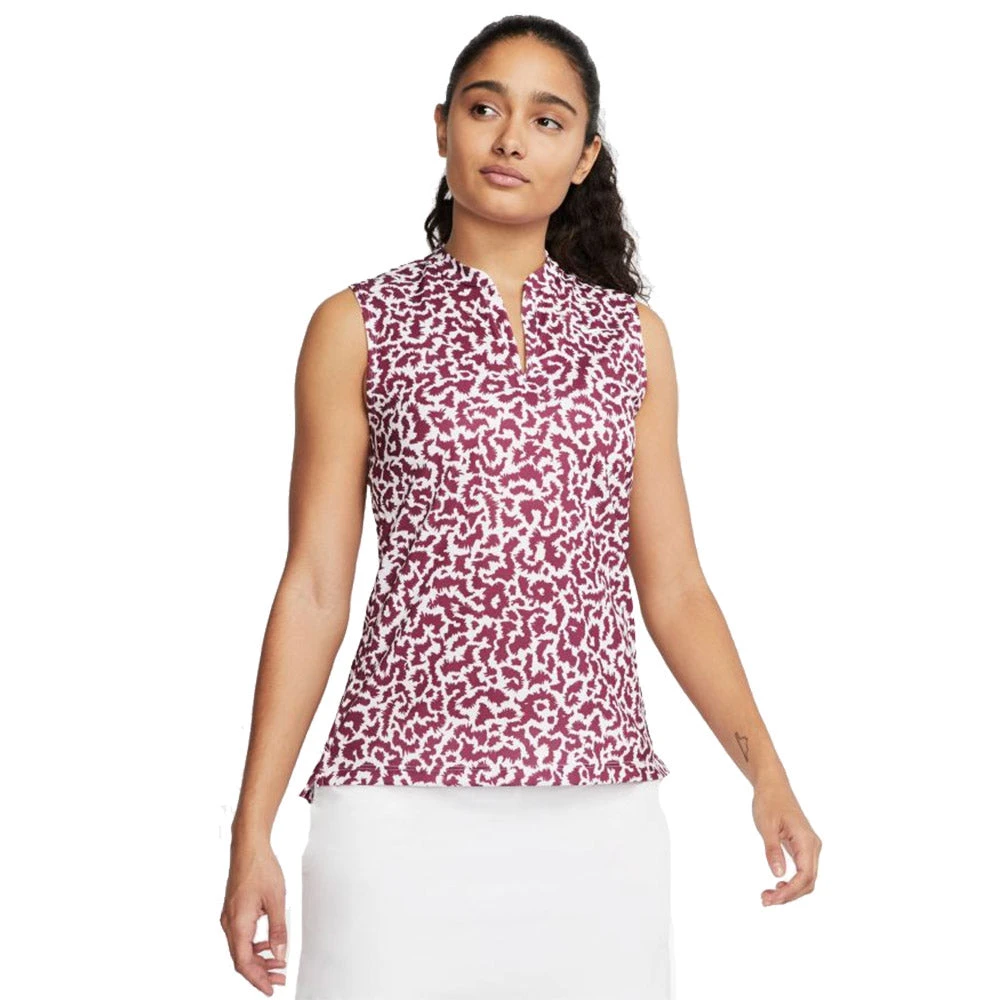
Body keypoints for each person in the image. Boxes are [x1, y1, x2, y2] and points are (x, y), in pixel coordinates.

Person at [220, 15, 822, 999]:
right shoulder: (356, 325)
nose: (509, 139)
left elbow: (674, 587)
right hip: (394, 806)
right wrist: (251, 832)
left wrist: (766, 771)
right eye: (484, 108)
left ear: (583, 157)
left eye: (547, 121)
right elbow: (316, 586)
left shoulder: (632, 339)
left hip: (599, 818)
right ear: (441, 126)